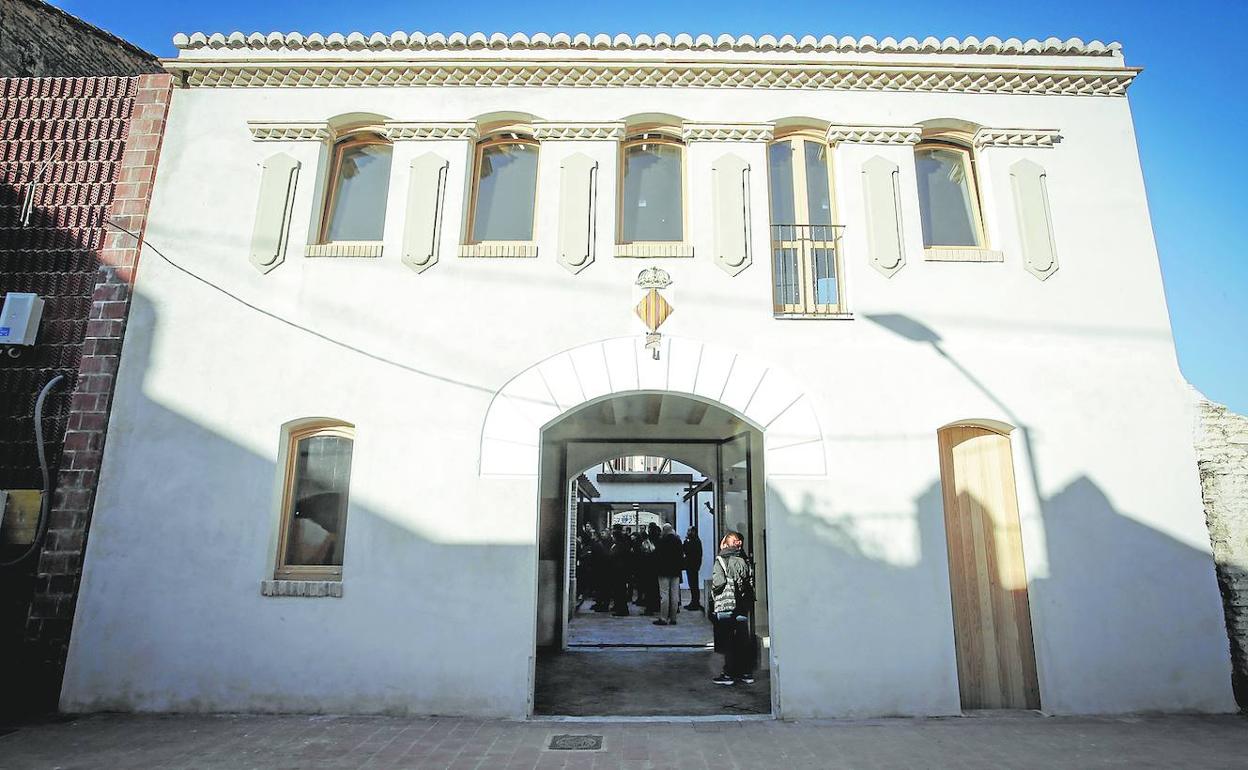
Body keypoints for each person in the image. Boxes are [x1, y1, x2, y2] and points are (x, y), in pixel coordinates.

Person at [710, 530, 756, 685]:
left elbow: (718, 582)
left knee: (727, 639)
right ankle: (746, 673)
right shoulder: (744, 559)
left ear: (725, 543)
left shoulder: (721, 559)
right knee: (742, 638)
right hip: (742, 603)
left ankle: (728, 674)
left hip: (727, 604)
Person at [653, 523, 684, 625]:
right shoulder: (678, 541)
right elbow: (681, 556)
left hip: (663, 571)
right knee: (675, 595)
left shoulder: (662, 541)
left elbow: (657, 556)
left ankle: (663, 618)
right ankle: (673, 618)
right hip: (675, 572)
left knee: (664, 595)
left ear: (664, 530)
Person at [683, 526, 704, 611]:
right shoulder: (694, 541)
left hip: (692, 566)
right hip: (691, 565)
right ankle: (694, 601)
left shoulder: (695, 541)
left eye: (689, 531)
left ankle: (695, 602)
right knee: (692, 585)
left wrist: (686, 542)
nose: (687, 532)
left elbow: (689, 551)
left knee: (694, 585)